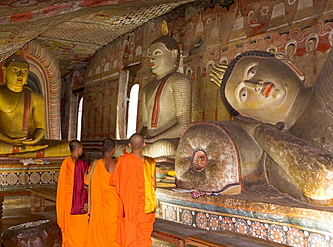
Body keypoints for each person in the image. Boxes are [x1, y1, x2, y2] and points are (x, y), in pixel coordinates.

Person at [219, 49, 333, 206]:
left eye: (252, 71)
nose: (255, 86)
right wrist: (259, 131)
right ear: (252, 118)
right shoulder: (276, 158)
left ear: (287, 63)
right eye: (243, 95)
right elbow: (323, 182)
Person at [0, 54, 70, 158]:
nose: (20, 75)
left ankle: (22, 151)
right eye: (15, 70)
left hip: (28, 141)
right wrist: (9, 140)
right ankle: (26, 151)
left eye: (24, 71)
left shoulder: (37, 98)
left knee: (68, 146)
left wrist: (34, 139)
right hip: (4, 141)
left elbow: (40, 128)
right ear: (5, 71)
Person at [138, 35, 192, 159]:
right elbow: (145, 127)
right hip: (150, 142)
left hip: (169, 141)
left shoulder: (179, 80)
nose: (151, 58)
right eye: (150, 54)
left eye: (157, 53)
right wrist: (139, 139)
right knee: (118, 147)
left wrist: (154, 139)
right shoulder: (147, 88)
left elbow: (183, 125)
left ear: (173, 54)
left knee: (163, 147)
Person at [110, 133, 157, 246]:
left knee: (129, 235)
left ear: (129, 145)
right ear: (144, 145)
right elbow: (154, 186)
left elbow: (116, 182)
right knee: (144, 237)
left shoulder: (122, 160)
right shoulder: (150, 162)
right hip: (145, 206)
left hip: (129, 206)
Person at [86, 138, 120, 247]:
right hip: (112, 205)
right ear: (113, 149)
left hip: (98, 204)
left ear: (103, 149)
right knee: (112, 232)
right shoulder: (115, 165)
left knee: (99, 228)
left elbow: (87, 182)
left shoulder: (95, 164)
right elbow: (120, 186)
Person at [56, 140, 89, 247]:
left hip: (67, 200)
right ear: (78, 149)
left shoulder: (66, 162)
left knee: (69, 224)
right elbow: (85, 184)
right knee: (79, 227)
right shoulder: (82, 164)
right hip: (78, 200)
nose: (81, 151)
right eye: (82, 149)